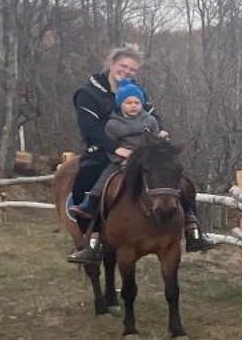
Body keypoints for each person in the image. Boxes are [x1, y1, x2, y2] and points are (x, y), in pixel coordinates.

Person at [68, 45, 214, 262]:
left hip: (142, 151)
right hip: (104, 150)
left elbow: (153, 115)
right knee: (87, 180)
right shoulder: (88, 93)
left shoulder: (136, 91)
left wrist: (161, 131)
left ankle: (192, 226)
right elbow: (91, 129)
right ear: (111, 63)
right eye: (123, 66)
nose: (127, 72)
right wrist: (117, 149)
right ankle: (92, 240)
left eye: (132, 69)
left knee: (175, 175)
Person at [67, 83, 166, 263]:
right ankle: (91, 207)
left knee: (171, 180)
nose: (134, 105)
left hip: (147, 162)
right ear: (120, 104)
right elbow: (110, 147)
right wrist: (120, 155)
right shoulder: (113, 124)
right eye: (129, 102)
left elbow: (155, 142)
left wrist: (159, 140)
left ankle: (190, 222)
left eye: (137, 102)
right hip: (121, 161)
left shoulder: (150, 121)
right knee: (104, 180)